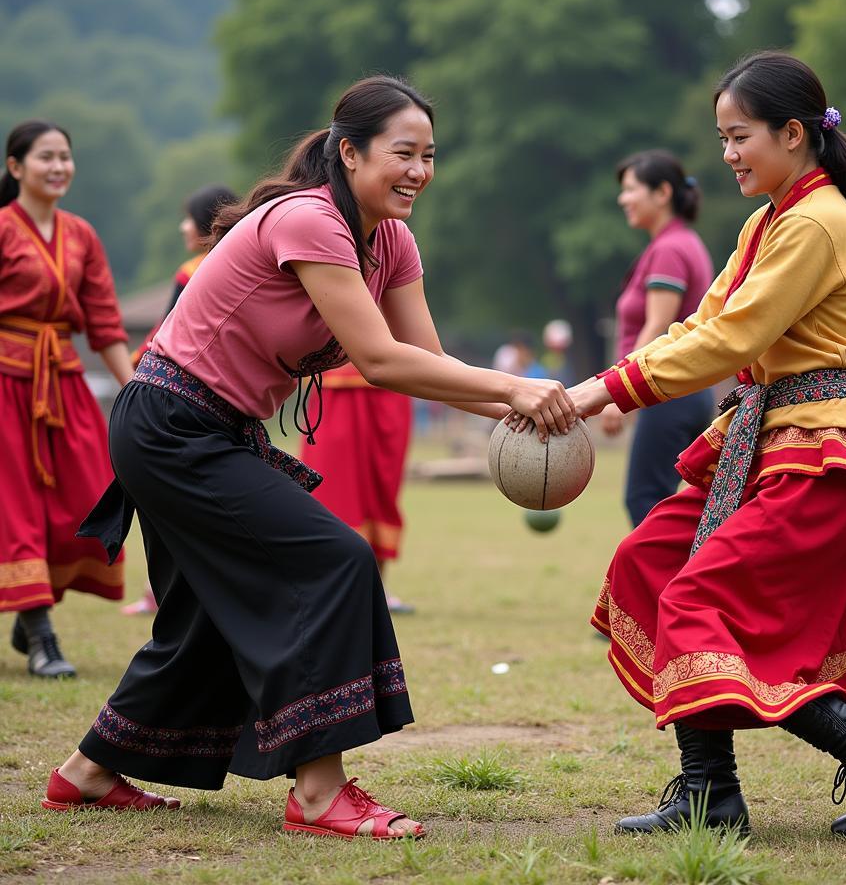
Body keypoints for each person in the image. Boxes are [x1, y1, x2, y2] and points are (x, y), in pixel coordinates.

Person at [46, 76, 574, 840]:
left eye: (430, 155)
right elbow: (381, 361)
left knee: (201, 620)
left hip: (213, 431)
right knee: (332, 562)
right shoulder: (309, 221)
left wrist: (550, 413)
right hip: (170, 424)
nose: (420, 170)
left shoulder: (390, 240)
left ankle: (88, 773)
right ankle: (321, 793)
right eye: (403, 153)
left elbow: (428, 359)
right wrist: (518, 390)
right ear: (349, 152)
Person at [564, 52, 846, 839]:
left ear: (792, 132)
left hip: (825, 454)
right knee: (652, 564)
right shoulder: (768, 218)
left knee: (699, 599)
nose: (727, 154)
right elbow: (703, 330)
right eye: (721, 138)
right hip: (765, 445)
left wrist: (594, 393)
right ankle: (713, 794)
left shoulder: (819, 219)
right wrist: (601, 385)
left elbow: (735, 337)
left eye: (739, 135)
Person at [1, 120, 134, 678]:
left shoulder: (81, 235)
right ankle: (42, 638)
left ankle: (30, 610)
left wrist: (134, 389)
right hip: (6, 380)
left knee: (84, 497)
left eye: (65, 157)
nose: (58, 167)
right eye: (45, 157)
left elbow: (104, 321)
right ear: (16, 167)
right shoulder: (4, 228)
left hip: (64, 380)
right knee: (17, 506)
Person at [122, 183, 239, 616]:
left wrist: (137, 370)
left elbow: (165, 331)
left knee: (165, 503)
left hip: (176, 398)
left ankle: (162, 593)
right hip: (231, 399)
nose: (182, 226)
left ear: (207, 223)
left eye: (188, 218)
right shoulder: (251, 263)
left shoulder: (195, 270)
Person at [600, 150, 715, 527]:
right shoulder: (680, 242)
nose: (623, 199)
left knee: (645, 501)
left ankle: (673, 588)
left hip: (669, 393)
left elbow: (657, 330)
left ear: (662, 192)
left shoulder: (669, 249)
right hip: (686, 392)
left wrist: (618, 394)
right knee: (668, 505)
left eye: (631, 189)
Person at [300, 363, 416, 615]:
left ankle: (376, 590)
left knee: (382, 492)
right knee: (331, 492)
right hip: (334, 384)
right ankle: (325, 590)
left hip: (390, 382)